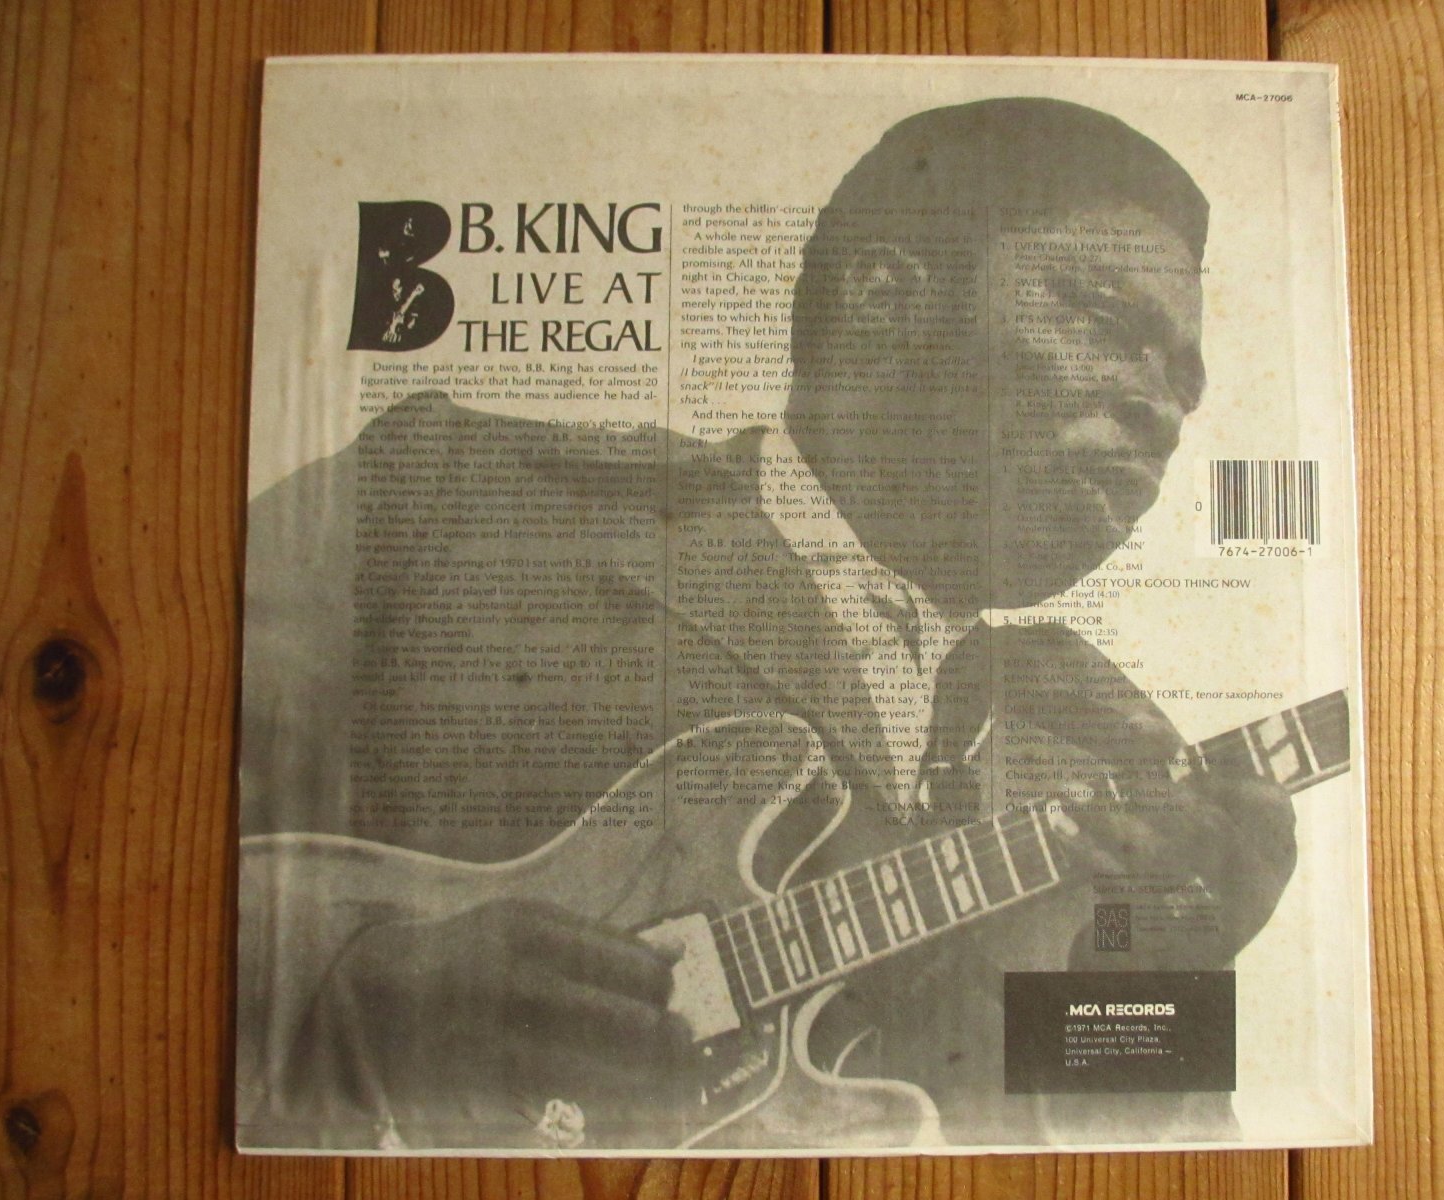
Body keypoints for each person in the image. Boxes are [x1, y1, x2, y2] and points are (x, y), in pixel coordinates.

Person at [237, 99, 1296, 1151]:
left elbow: (1149, 1159)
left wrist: (1162, 966)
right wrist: (353, 989)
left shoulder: (1116, 756)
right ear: (884, 301)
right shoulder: (450, 490)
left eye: (1183, 383)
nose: (1162, 411)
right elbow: (148, 815)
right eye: (1106, 325)